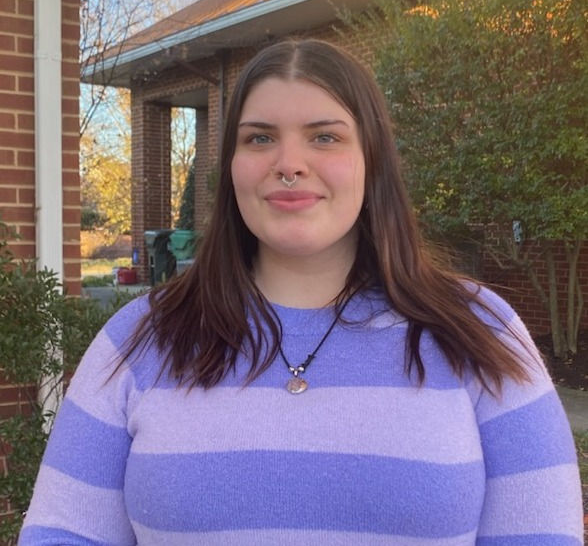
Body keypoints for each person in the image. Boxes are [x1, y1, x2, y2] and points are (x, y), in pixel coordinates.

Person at [20, 39, 582, 545]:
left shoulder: (480, 333)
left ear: (372, 161)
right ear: (232, 167)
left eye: (325, 137)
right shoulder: (141, 340)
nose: (289, 164)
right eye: (260, 138)